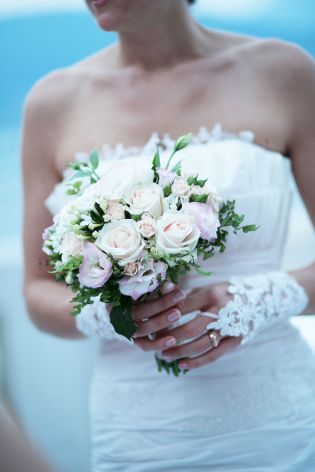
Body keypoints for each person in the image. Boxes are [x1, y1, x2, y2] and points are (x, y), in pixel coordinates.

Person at [22, 0, 315, 470]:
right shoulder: (52, 103)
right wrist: (112, 317)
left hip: (273, 418)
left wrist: (262, 298)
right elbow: (38, 290)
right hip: (138, 429)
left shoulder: (284, 72)